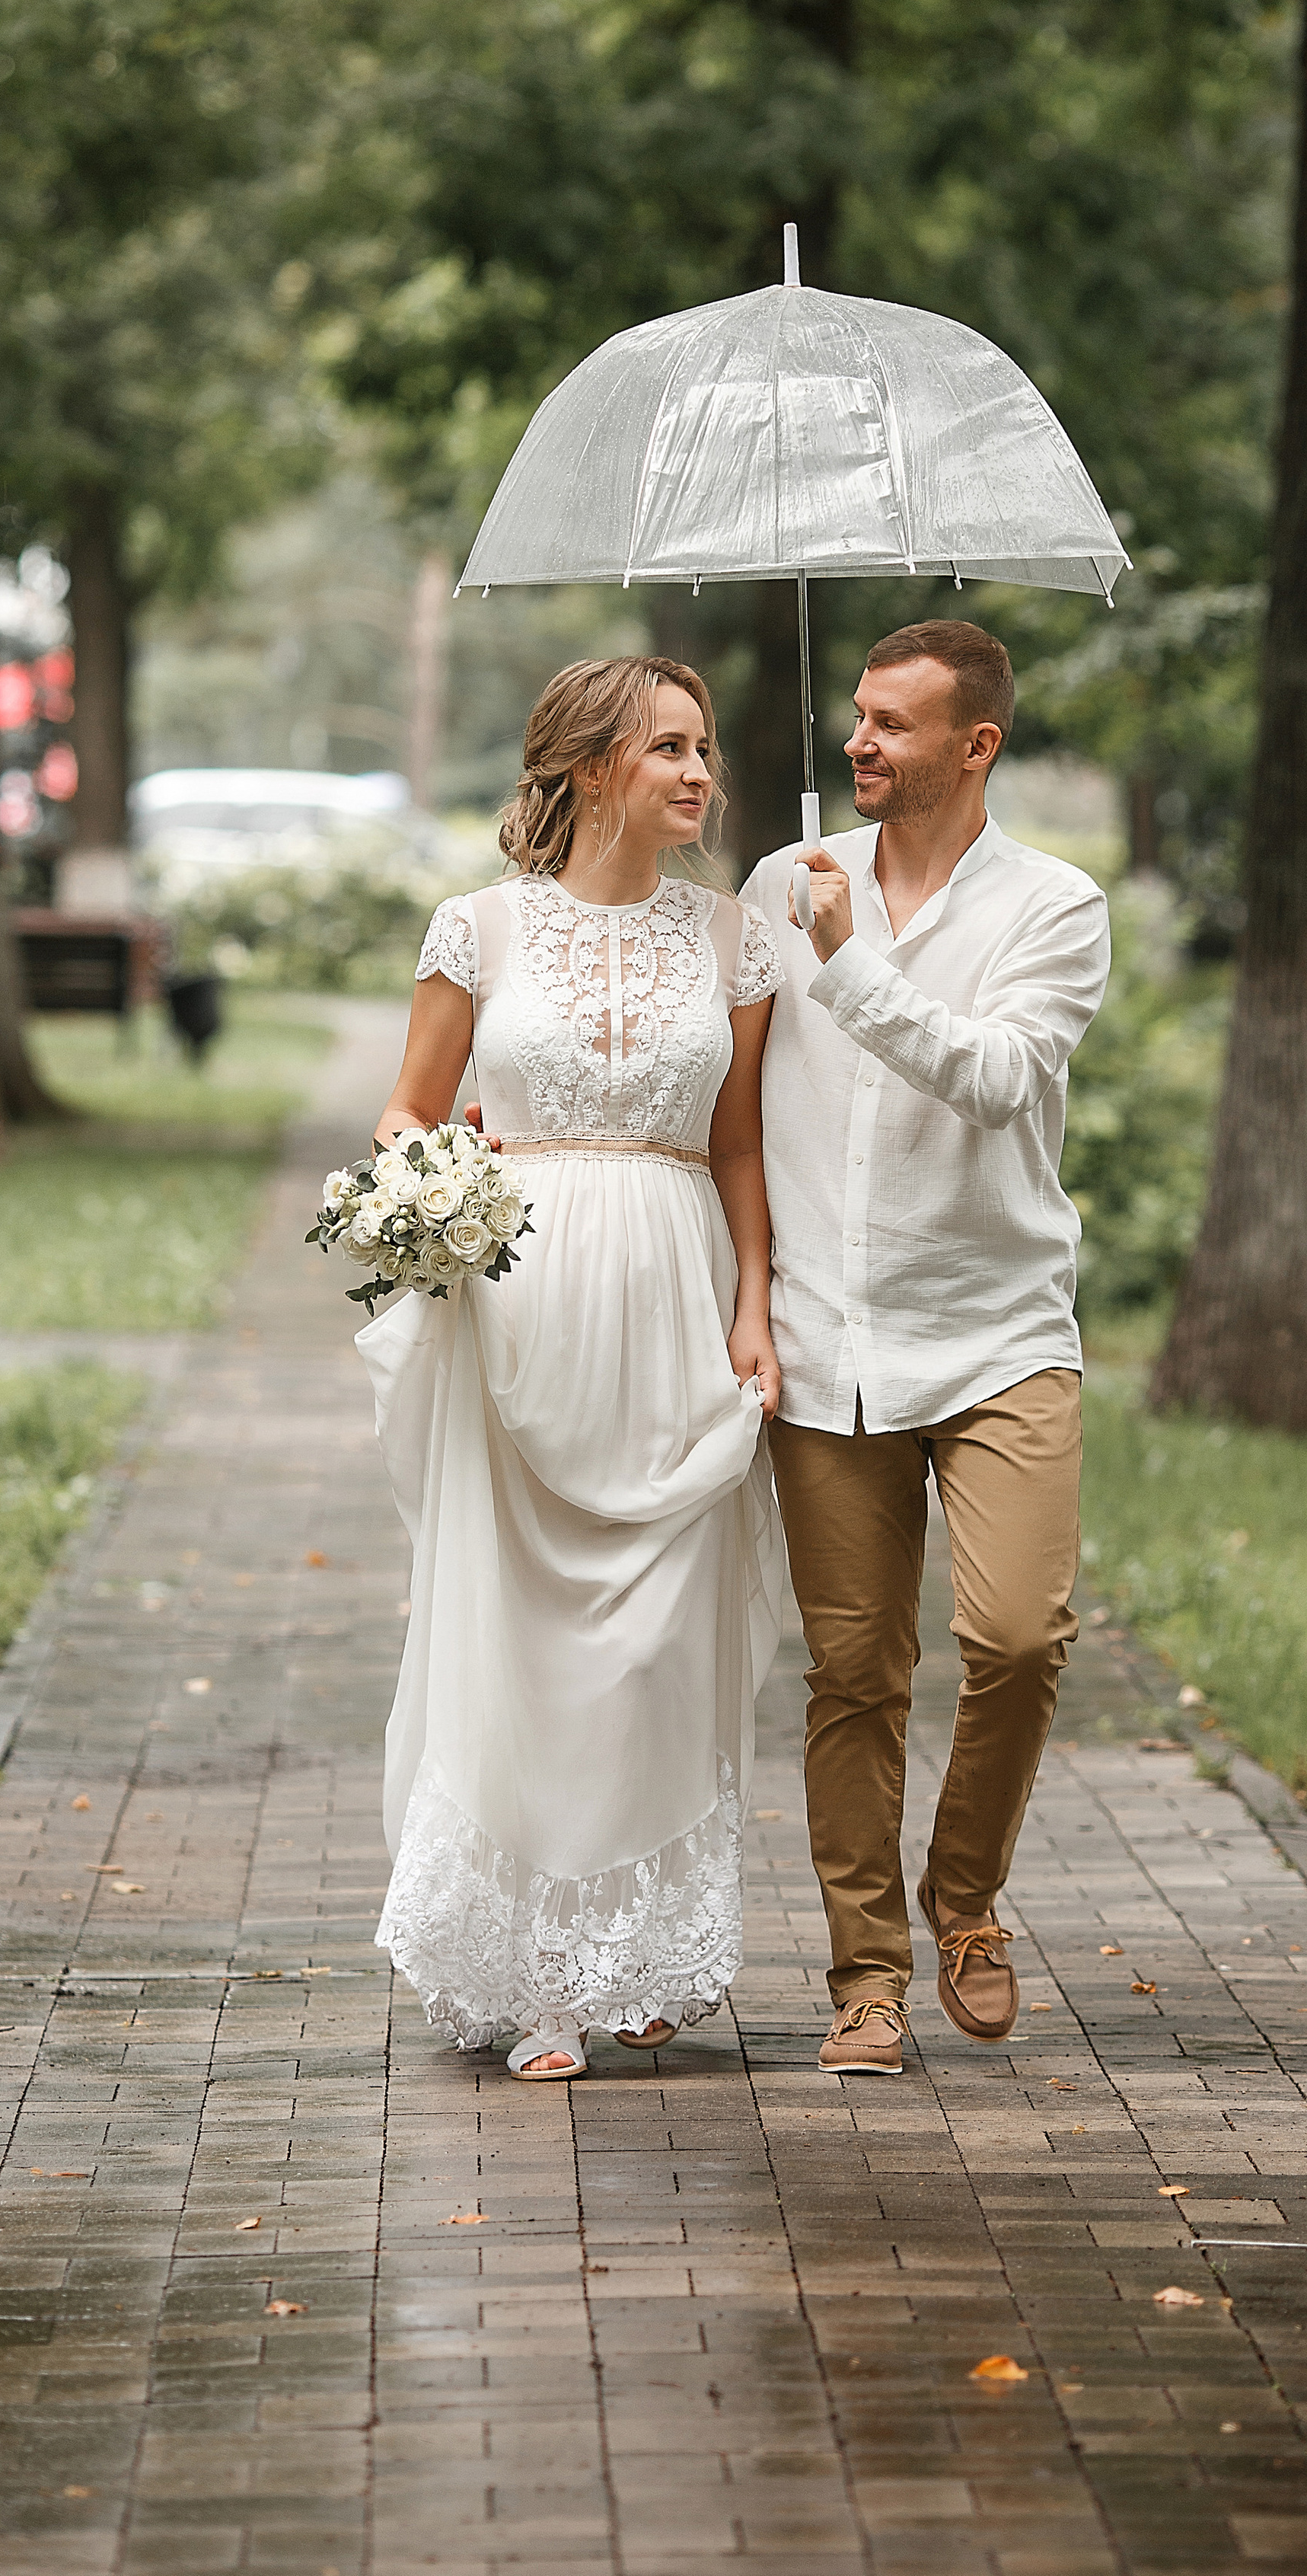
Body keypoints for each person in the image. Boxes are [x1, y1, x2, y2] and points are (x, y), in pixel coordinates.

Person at [359, 656, 791, 2080]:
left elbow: (736, 1142)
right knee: (525, 1634)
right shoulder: (476, 931)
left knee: (661, 1638)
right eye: (667, 747)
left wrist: (756, 1304)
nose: (697, 774)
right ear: (592, 765)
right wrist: (433, 1209)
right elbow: (412, 1114)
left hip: (674, 1290)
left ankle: (638, 1944)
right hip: (519, 1306)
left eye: (705, 749)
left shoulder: (734, 940)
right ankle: (537, 1972)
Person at [740, 620, 1110, 2078]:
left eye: (894, 724)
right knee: (854, 1673)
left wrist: (850, 966)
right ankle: (867, 1977)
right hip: (826, 1339)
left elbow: (1004, 1078)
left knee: (1019, 1636)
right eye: (857, 718)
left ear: (978, 745)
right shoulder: (785, 884)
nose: (860, 743)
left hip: (1002, 1327)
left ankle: (965, 1899)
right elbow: (731, 1091)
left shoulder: (1055, 906)